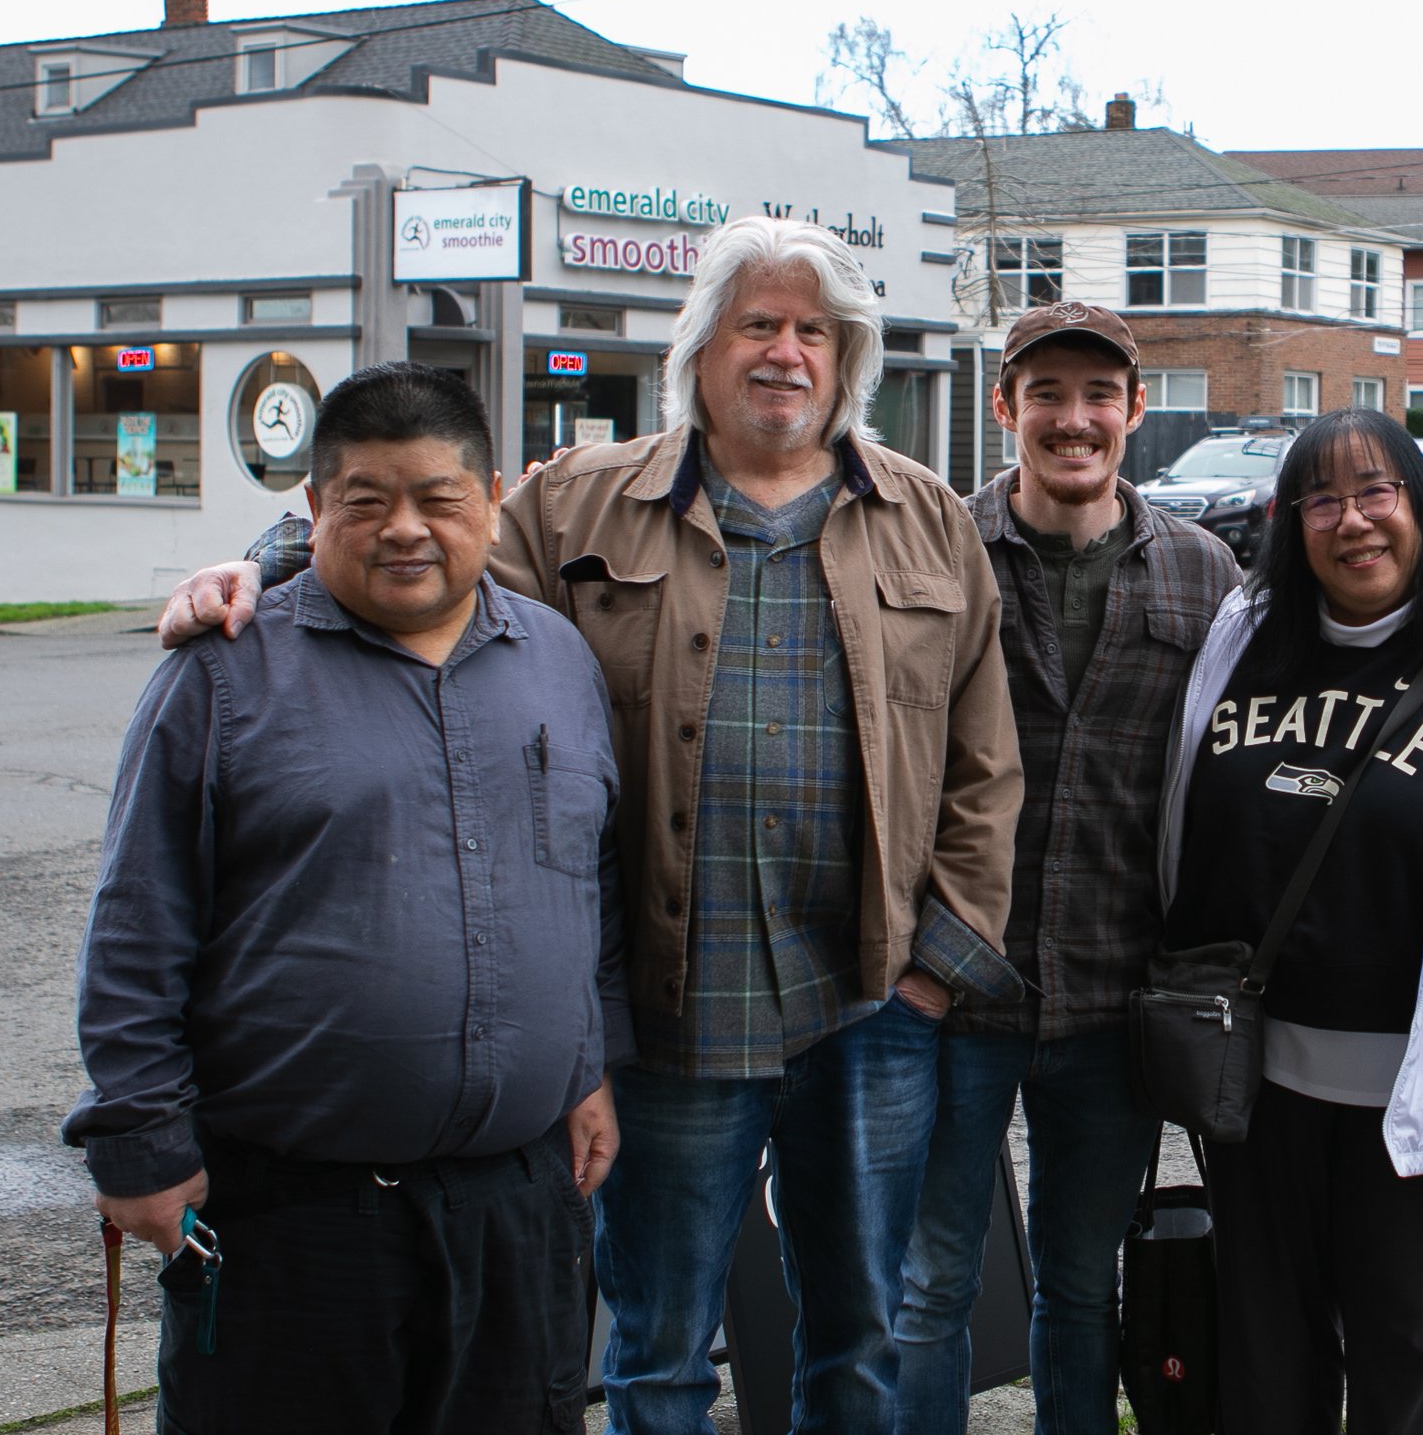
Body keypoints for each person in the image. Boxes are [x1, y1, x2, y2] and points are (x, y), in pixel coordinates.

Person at [153, 218, 1022, 1435]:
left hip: (868, 1005)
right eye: (756, 324)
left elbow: (987, 763)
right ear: (701, 347)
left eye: (813, 330)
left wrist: (937, 970)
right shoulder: (577, 501)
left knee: (861, 1330)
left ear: (848, 358)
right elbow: (420, 545)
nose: (785, 352)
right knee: (654, 1342)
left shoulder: (928, 518)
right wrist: (264, 564)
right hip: (670, 1014)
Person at [66, 364, 626, 1433]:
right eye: (367, 500)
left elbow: (587, 880)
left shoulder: (558, 659)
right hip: (292, 1219)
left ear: (491, 498)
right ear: (316, 507)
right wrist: (139, 1141)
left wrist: (590, 1062)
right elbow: (139, 921)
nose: (405, 528)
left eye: (439, 497)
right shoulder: (223, 675)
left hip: (516, 1208)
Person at [1156, 407, 1423, 1433]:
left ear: (1420, 508)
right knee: (1266, 1366)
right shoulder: (1243, 636)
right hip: (1255, 1090)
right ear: (1291, 523)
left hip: (1419, 1106)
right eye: (1321, 499)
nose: (1351, 520)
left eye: (1374, 492)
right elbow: (1183, 820)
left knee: (1407, 1369)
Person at [894, 302, 1240, 1433]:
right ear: (1005, 406)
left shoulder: (1202, 571)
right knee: (930, 1285)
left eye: (1098, 395)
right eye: (1046, 393)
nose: (1073, 418)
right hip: (953, 988)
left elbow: (1227, 776)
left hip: (1111, 998)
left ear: (1134, 411)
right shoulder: (934, 548)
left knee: (1083, 1286)